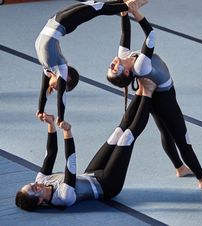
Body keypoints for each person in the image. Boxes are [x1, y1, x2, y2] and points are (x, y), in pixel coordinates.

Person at [106, 5, 202, 189]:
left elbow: (125, 32)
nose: (112, 64)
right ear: (127, 71)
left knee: (165, 131)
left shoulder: (124, 57)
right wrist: (135, 11)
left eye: (110, 67)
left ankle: (180, 168)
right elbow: (150, 35)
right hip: (164, 98)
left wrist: (123, 13)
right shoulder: (140, 66)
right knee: (182, 138)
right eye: (114, 69)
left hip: (155, 97)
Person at [15, 78, 156, 211]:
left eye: (30, 184)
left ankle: (140, 91)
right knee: (126, 138)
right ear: (40, 201)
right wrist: (67, 132)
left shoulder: (42, 180)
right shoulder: (63, 197)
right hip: (108, 185)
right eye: (34, 189)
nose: (35, 184)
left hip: (91, 175)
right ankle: (148, 93)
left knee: (117, 133)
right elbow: (70, 165)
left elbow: (50, 154)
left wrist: (50, 125)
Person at [35, 0, 149, 126]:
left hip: (54, 20)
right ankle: (127, 6)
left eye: (55, 89)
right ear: (67, 79)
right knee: (95, 8)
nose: (54, 88)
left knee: (93, 6)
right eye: (59, 87)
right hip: (63, 24)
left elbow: (43, 91)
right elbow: (62, 98)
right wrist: (60, 118)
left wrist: (40, 110)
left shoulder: (47, 69)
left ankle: (124, 3)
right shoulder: (61, 68)